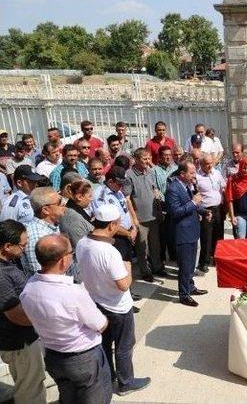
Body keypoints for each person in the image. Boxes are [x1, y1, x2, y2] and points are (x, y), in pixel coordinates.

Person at [20, 235, 112, 404]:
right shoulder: (73, 292)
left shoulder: (28, 288)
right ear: (63, 261)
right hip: (83, 359)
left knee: (67, 398)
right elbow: (101, 325)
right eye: (71, 252)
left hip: (53, 357)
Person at [76, 204, 151, 396]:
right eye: (118, 224)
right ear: (111, 225)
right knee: (124, 346)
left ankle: (108, 377)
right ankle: (126, 382)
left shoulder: (82, 242)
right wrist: (128, 267)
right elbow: (124, 285)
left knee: (104, 344)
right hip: (117, 306)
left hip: (96, 302)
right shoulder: (110, 252)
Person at [0, 219, 47, 404]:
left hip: (21, 340)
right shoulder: (2, 277)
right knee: (31, 389)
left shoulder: (11, 261)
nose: (25, 249)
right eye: (23, 245)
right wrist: (45, 319)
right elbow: (16, 315)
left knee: (25, 381)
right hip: (20, 343)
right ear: (7, 246)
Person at [166, 161, 211, 307]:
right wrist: (193, 202)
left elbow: (194, 205)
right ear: (182, 174)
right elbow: (175, 212)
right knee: (185, 266)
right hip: (182, 233)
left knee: (191, 264)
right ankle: (184, 294)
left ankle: (190, 286)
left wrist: (204, 212)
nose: (194, 175)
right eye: (191, 172)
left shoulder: (187, 186)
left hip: (192, 230)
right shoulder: (173, 189)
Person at [124, 148, 162, 282]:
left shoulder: (150, 172)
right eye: (144, 159)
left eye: (149, 158)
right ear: (136, 159)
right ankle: (145, 271)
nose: (148, 161)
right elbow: (127, 198)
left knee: (155, 245)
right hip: (140, 218)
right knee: (142, 248)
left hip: (153, 216)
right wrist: (134, 218)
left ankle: (157, 268)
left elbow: (154, 189)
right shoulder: (129, 175)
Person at [91, 167, 139, 272]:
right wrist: (128, 234)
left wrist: (133, 227)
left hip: (127, 235)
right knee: (118, 271)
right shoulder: (100, 196)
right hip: (116, 238)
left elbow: (125, 211)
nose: (121, 187)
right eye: (119, 184)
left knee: (127, 268)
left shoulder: (118, 191)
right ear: (110, 181)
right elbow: (108, 223)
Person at [22, 187, 66, 278]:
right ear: (45, 210)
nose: (64, 203)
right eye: (59, 202)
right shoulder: (37, 237)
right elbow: (43, 275)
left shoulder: (54, 225)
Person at [195, 153, 226, 272]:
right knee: (206, 236)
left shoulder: (217, 173)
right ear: (201, 164)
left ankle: (217, 258)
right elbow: (196, 193)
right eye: (206, 164)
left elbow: (222, 187)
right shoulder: (197, 177)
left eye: (211, 163)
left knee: (218, 235)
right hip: (206, 210)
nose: (209, 166)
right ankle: (204, 262)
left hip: (218, 208)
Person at [152, 146, 178, 266]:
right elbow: (155, 189)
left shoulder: (176, 168)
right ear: (160, 157)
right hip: (162, 206)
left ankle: (174, 256)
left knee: (174, 233)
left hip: (175, 206)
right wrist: (166, 200)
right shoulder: (155, 170)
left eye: (169, 154)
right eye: (165, 155)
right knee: (162, 234)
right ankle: (161, 259)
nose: (168, 157)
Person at [59, 180, 94, 250]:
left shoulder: (76, 208)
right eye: (89, 196)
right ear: (79, 197)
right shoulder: (73, 214)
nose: (91, 199)